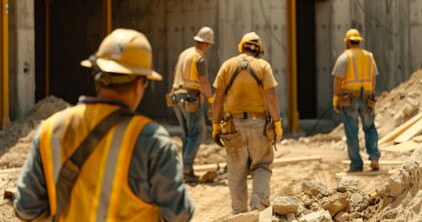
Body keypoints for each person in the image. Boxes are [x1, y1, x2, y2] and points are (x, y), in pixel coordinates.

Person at [13, 28, 194, 221]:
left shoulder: (50, 130)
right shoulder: (152, 141)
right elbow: (178, 214)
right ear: (139, 84)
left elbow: (25, 209)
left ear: (98, 78)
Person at [211, 32, 282, 214]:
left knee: (236, 172)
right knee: (262, 165)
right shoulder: (263, 66)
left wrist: (216, 125)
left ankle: (239, 214)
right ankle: (258, 203)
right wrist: (277, 124)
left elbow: (218, 99)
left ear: (241, 47)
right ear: (258, 50)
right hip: (259, 125)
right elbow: (271, 98)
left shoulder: (227, 66)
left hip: (232, 126)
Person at [169, 26, 215, 183]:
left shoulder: (184, 54)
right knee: (198, 133)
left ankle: (187, 170)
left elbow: (175, 72)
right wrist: (211, 100)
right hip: (190, 97)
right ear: (207, 44)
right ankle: (186, 170)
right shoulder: (199, 58)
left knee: (187, 134)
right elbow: (203, 81)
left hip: (176, 96)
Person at [331, 28, 380, 172]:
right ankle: (374, 157)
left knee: (352, 131)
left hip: (349, 98)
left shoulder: (344, 57)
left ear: (347, 42)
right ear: (359, 41)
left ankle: (356, 164)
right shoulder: (369, 56)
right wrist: (371, 93)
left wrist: (336, 98)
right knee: (370, 127)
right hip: (367, 96)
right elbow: (373, 78)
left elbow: (338, 80)